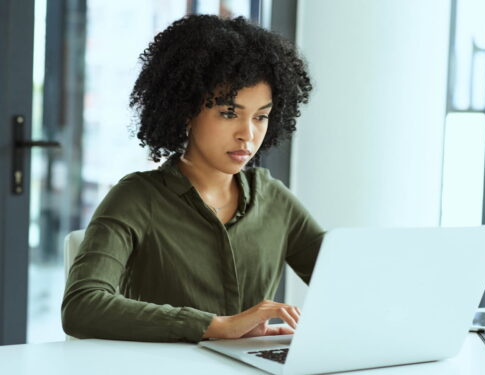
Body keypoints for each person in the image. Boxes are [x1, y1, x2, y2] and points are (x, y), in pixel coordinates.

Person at [61, 14, 325, 343]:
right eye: (229, 113)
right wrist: (216, 326)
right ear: (186, 110)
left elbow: (344, 284)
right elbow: (82, 306)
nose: (248, 134)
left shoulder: (274, 199)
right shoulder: (137, 198)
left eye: (261, 117)